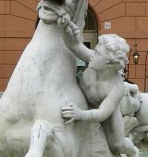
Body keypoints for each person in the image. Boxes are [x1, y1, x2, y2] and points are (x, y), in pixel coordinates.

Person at [59, 15, 138, 157]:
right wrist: (68, 31)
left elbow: (102, 114)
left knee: (117, 145)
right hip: (85, 104)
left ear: (109, 62)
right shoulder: (94, 61)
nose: (92, 54)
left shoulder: (115, 87)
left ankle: (133, 150)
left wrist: (80, 114)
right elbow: (74, 46)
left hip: (107, 112)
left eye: (97, 53)